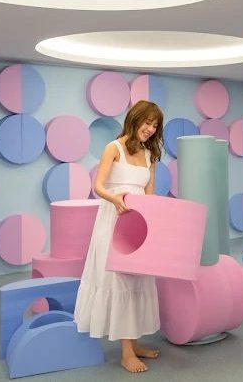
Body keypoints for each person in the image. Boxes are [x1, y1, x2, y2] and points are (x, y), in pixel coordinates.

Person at [74, 100, 164, 373]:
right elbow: (98, 186)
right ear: (134, 119)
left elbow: (149, 195)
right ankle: (126, 353)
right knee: (120, 280)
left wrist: (156, 224)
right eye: (147, 122)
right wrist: (115, 198)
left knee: (137, 280)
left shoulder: (150, 155)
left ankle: (134, 345)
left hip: (138, 225)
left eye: (155, 125)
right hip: (114, 220)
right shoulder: (113, 148)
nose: (150, 129)